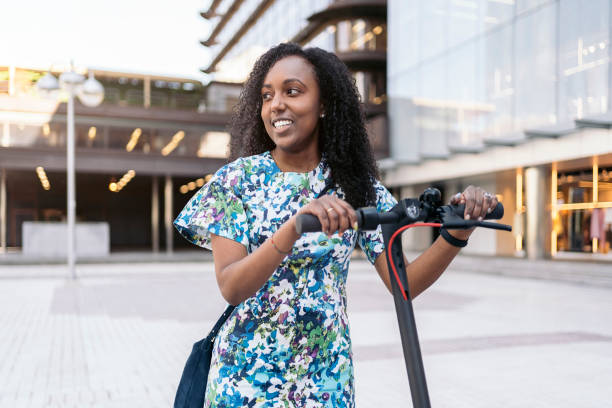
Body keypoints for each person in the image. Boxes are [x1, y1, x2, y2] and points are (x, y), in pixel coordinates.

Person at [174, 43, 499, 408]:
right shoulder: (236, 181)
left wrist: (457, 232)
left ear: (325, 104)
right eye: (267, 96)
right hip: (245, 383)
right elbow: (232, 287)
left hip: (326, 382)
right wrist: (294, 226)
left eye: (292, 91)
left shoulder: (355, 186)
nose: (276, 104)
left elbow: (402, 283)